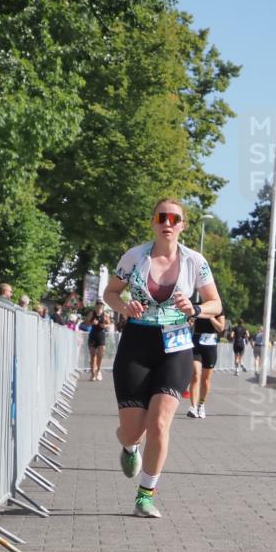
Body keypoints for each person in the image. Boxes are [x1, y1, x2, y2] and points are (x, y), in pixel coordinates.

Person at [103, 199, 221, 518]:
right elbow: (110, 292)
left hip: (176, 344)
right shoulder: (134, 256)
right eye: (161, 217)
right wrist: (124, 306)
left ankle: (145, 496)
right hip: (137, 342)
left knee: (158, 424)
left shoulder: (195, 261)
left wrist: (196, 309)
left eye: (174, 218)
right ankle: (129, 446)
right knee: (133, 431)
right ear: (153, 222)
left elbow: (215, 303)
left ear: (183, 225)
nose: (168, 223)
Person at [186, 295, 227, 418]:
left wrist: (211, 317)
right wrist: (190, 323)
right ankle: (193, 407)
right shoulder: (196, 306)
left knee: (206, 380)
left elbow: (221, 327)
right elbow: (188, 323)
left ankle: (201, 404)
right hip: (196, 342)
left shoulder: (218, 308)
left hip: (210, 345)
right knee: (195, 374)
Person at [88, 308, 110, 381]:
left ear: (102, 306)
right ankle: (92, 373)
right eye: (97, 303)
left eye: (100, 304)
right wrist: (92, 323)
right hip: (93, 335)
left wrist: (104, 326)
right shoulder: (92, 313)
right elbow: (85, 323)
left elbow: (109, 324)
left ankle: (98, 371)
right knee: (92, 354)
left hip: (101, 335)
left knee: (100, 355)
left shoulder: (105, 314)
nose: (99, 305)